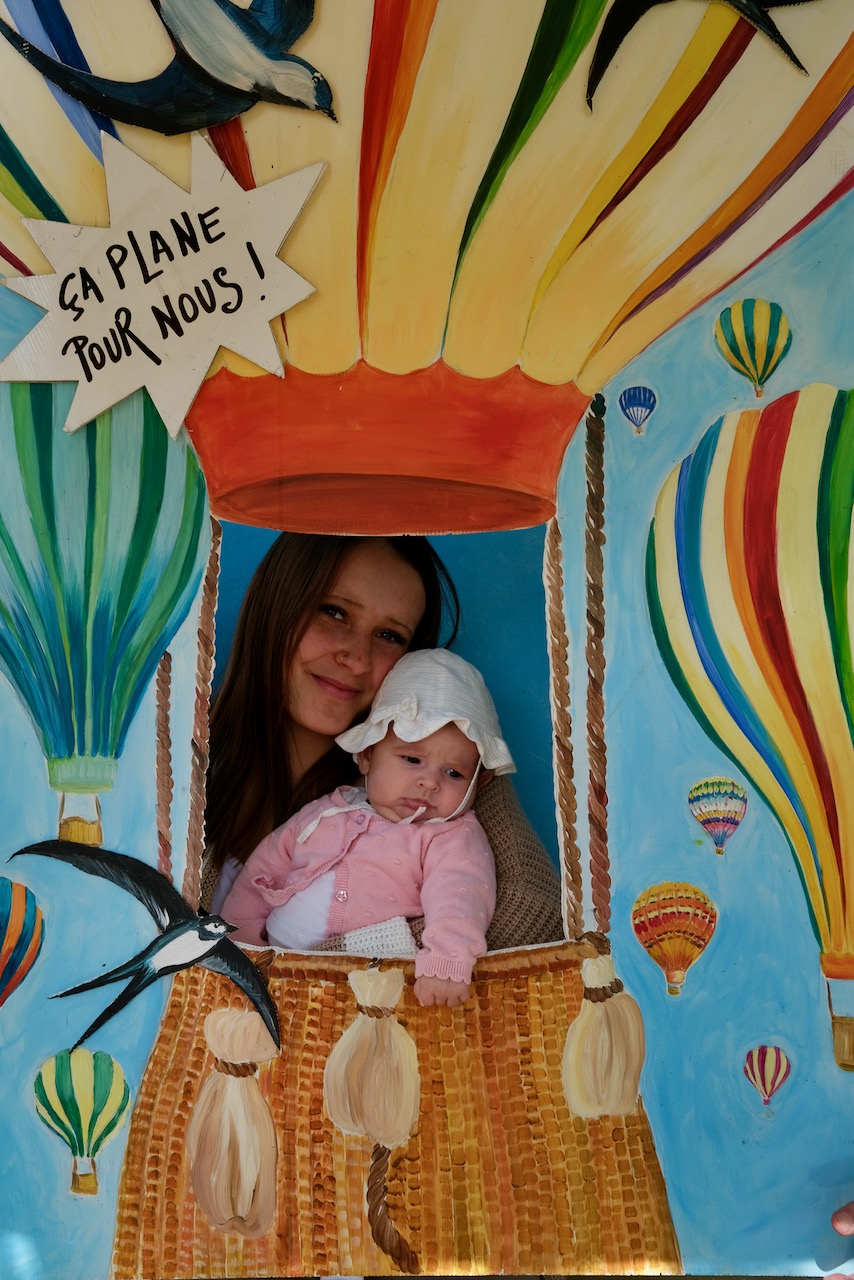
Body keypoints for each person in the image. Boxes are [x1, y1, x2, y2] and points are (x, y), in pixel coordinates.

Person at [201, 532, 564, 951]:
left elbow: (534, 916)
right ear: (275, 606)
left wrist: (322, 966)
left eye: (390, 635)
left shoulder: (452, 778)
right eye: (334, 611)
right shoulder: (179, 766)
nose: (356, 658)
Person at [220, 650, 514, 1005]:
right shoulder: (332, 807)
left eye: (454, 773)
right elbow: (264, 870)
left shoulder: (450, 834)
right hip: (271, 961)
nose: (429, 782)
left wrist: (447, 961)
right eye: (412, 759)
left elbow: (460, 894)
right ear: (367, 756)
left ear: (478, 784)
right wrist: (238, 943)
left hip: (356, 983)